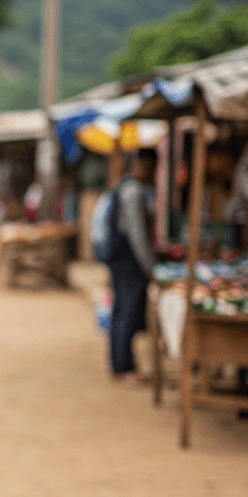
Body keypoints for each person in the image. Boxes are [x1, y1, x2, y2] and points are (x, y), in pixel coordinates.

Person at [106, 148, 157, 383]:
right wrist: (150, 266)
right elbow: (137, 235)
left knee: (121, 311)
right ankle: (123, 366)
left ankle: (121, 364)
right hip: (129, 260)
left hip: (120, 259)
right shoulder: (134, 192)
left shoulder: (123, 187)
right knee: (126, 311)